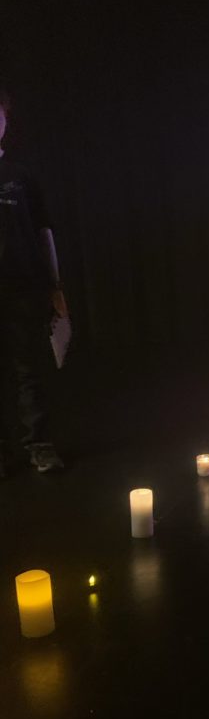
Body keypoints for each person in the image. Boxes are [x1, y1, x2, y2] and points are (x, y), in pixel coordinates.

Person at [0, 86, 68, 475]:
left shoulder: (22, 176)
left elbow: (44, 231)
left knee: (28, 369)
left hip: (23, 289)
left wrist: (55, 285)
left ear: (5, 120)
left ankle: (39, 445)